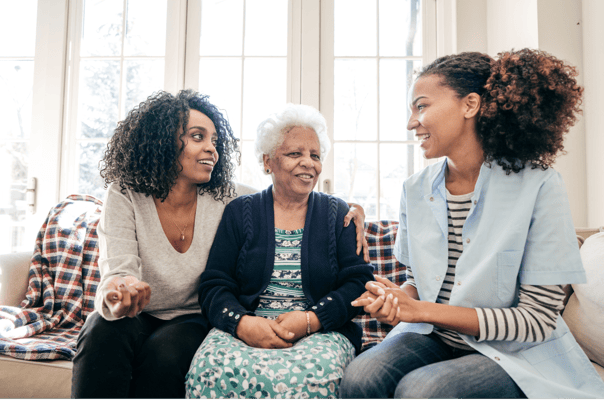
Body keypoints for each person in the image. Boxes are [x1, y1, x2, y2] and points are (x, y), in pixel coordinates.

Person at [340, 49, 604, 399]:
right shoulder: (415, 189)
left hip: (514, 353)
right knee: (360, 377)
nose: (411, 123)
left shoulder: (541, 186)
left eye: (421, 106)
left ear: (470, 105)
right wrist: (397, 298)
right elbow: (418, 283)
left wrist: (420, 309)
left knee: (422, 392)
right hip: (433, 337)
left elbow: (536, 321)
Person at [71, 90, 368, 398]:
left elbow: (286, 195)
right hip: (136, 313)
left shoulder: (225, 195)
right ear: (162, 141)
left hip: (190, 316)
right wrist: (120, 291)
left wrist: (351, 209)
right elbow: (118, 271)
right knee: (99, 334)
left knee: (166, 354)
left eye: (215, 141)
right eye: (198, 137)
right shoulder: (126, 194)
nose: (211, 149)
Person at [185, 104, 375, 398]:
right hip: (250, 325)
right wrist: (242, 324)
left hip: (320, 331)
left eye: (315, 155)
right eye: (295, 154)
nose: (308, 163)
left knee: (312, 378)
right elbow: (214, 284)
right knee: (210, 370)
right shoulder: (240, 212)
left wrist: (311, 320)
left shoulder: (338, 213)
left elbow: (359, 284)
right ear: (267, 162)